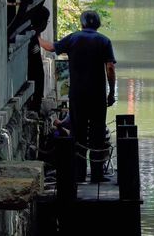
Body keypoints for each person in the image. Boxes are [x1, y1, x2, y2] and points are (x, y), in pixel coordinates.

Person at [39, 10, 116, 183]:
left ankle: (79, 175)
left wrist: (35, 37)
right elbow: (110, 68)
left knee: (78, 134)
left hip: (77, 96)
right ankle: (97, 175)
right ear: (98, 24)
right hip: (97, 97)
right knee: (97, 136)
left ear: (81, 24)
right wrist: (111, 92)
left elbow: (51, 47)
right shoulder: (104, 41)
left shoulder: (73, 38)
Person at [27, 6, 50, 113]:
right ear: (42, 23)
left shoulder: (32, 37)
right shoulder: (32, 40)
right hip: (32, 92)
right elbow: (37, 70)